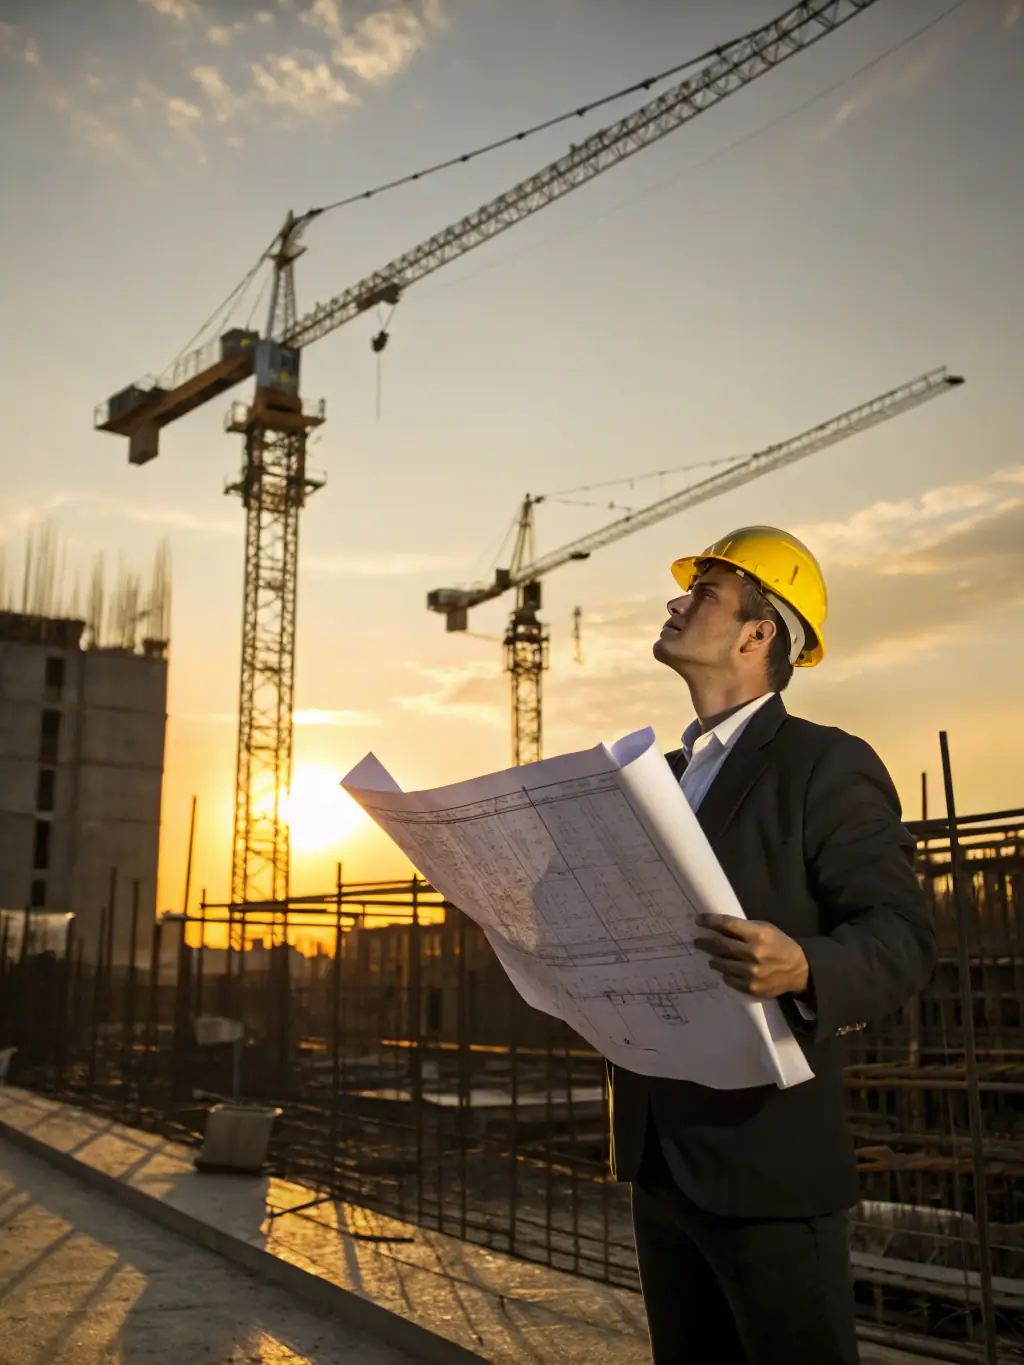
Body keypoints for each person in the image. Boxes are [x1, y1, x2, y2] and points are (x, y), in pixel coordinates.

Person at [608, 526, 937, 1365]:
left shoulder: (823, 764)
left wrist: (805, 964)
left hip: (768, 1165)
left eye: (703, 593)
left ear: (757, 634)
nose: (676, 601)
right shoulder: (660, 777)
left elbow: (903, 937)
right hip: (660, 1159)